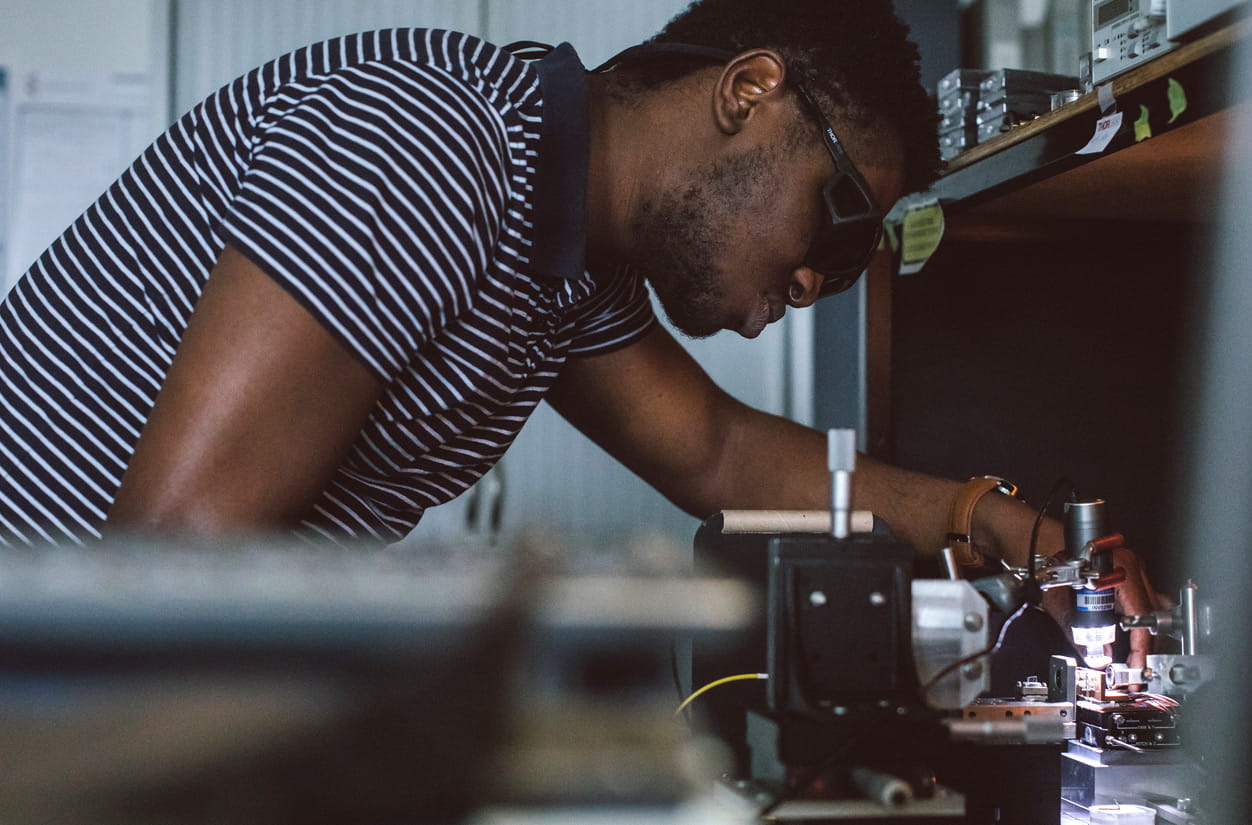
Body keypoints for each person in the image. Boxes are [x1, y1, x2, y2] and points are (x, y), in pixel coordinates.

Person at [0, 0, 1160, 662]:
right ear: (748, 91)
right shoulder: (429, 146)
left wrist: (1002, 523)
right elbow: (174, 554)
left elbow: (721, 454)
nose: (816, 278)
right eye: (837, 218)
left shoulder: (564, 261)